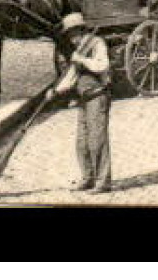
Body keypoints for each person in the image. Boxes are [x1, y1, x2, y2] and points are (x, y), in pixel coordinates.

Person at [57, 12, 112, 193]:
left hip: (97, 96)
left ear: (81, 30)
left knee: (97, 140)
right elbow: (72, 76)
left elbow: (101, 65)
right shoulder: (79, 49)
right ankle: (87, 177)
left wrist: (81, 59)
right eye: (69, 36)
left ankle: (103, 182)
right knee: (81, 142)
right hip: (84, 100)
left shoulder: (97, 44)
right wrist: (55, 92)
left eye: (74, 34)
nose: (72, 39)